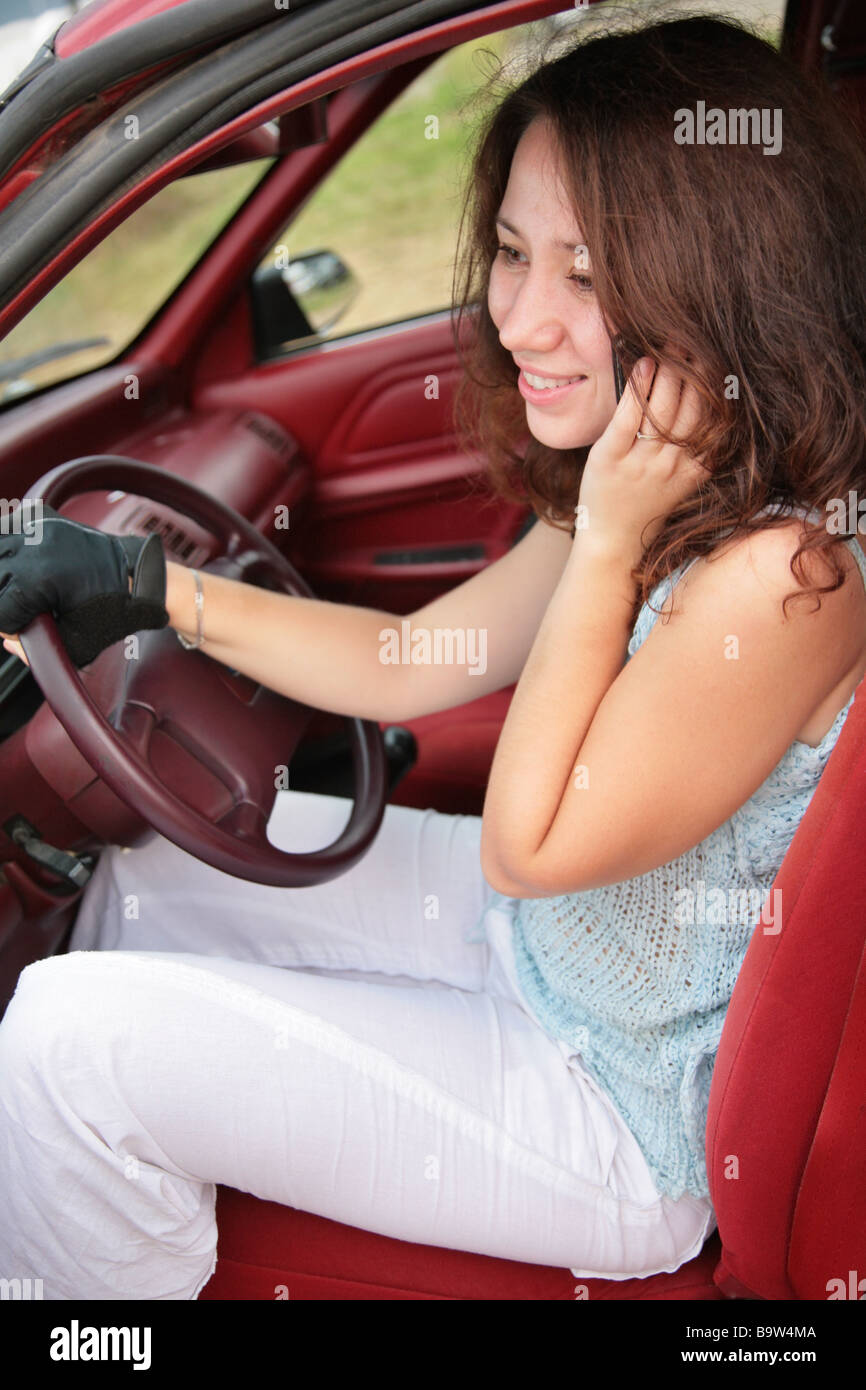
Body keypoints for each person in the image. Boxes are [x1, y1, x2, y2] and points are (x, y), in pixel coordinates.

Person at [1, 10, 866, 1300]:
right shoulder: (667, 474)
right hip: (541, 944)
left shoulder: (785, 575)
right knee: (141, 886)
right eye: (513, 254)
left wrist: (611, 545)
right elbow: (415, 657)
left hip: (621, 1113)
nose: (519, 318)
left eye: (589, 276)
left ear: (721, 280)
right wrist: (140, 584)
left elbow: (534, 841)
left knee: (67, 1048)